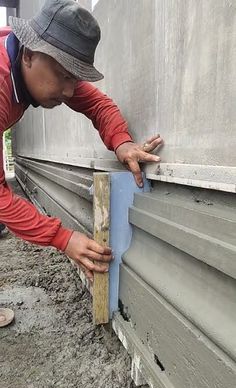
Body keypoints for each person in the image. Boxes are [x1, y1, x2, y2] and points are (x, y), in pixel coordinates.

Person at [0, 0, 163, 280]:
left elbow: (99, 105)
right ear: (28, 55)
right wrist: (62, 238)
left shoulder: (37, 65)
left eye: (74, 79)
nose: (68, 91)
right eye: (64, 76)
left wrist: (122, 143)